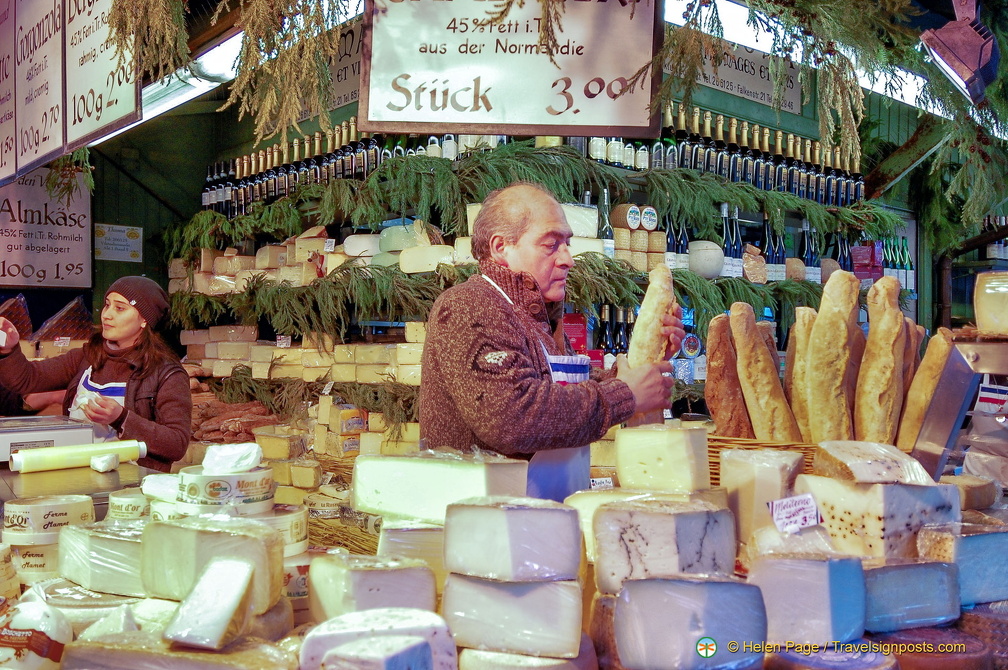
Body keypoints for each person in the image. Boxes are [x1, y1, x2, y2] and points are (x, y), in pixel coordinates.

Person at [419, 182, 684, 500]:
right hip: (485, 528)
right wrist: (624, 395)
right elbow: (511, 417)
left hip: (543, 518)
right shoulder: (469, 304)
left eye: (567, 244)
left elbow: (565, 393)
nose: (567, 259)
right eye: (550, 244)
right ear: (501, 247)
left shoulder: (537, 317)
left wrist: (642, 368)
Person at [0, 276, 192, 472]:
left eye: (119, 308)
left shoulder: (167, 374)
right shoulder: (87, 356)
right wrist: (10, 350)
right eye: (107, 305)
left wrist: (121, 417)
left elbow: (177, 444)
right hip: (79, 476)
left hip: (133, 486)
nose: (106, 315)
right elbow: (26, 379)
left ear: (144, 319)